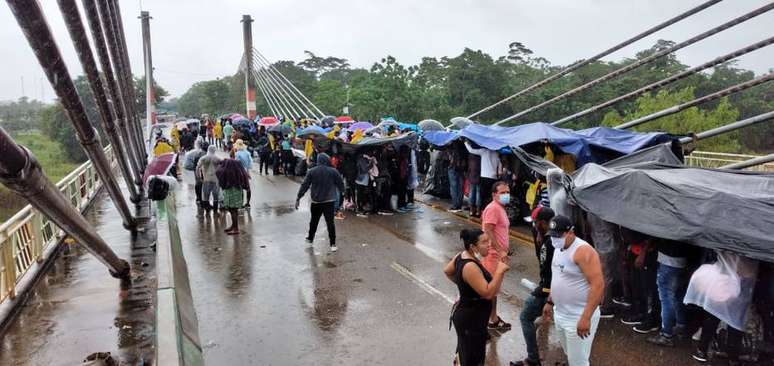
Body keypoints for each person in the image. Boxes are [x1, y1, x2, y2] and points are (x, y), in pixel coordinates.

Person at [543, 215, 604, 366]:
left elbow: (598, 285)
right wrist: (550, 302)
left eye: (558, 235)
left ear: (571, 232)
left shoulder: (583, 251)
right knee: (570, 356)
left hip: (578, 315)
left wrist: (586, 318)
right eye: (552, 236)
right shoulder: (558, 248)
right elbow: (557, 277)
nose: (554, 239)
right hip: (560, 314)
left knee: (578, 362)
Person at [444, 229, 510, 366]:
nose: (489, 244)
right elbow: (488, 293)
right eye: (484, 242)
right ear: (473, 247)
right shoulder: (469, 266)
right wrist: (499, 271)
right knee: (471, 358)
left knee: (466, 353)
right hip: (470, 320)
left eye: (488, 240)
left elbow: (448, 271)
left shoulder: (461, 256)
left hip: (472, 317)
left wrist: (466, 286)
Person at [511, 207, 556, 366]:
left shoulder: (551, 243)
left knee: (525, 317)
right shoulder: (549, 236)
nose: (534, 226)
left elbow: (553, 272)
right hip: (549, 287)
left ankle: (533, 359)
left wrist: (548, 295)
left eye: (536, 223)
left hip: (549, 288)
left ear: (543, 223)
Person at [295, 153, 345, 253]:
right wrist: (342, 195)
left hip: (316, 201)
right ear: (327, 160)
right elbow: (341, 184)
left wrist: (298, 197)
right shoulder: (333, 171)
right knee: (330, 223)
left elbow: (304, 185)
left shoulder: (312, 171)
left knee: (314, 221)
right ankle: (333, 244)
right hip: (329, 201)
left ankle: (310, 238)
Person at [481, 181, 512, 332]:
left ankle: (492, 318)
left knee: (494, 290)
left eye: (507, 192)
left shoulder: (500, 208)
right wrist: (500, 251)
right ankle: (487, 319)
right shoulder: (493, 208)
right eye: (502, 193)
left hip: (498, 255)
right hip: (493, 255)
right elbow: (488, 230)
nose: (506, 195)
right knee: (490, 290)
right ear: (494, 195)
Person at [216, 158, 249, 235]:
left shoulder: (228, 172)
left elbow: (217, 171)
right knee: (232, 210)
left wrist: (221, 164)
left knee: (233, 209)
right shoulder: (239, 172)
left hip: (232, 192)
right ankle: (233, 226)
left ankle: (236, 228)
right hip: (236, 191)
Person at [465, 140, 500, 208]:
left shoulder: (484, 151)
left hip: (485, 177)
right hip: (494, 177)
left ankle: (484, 211)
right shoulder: (497, 153)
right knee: (491, 196)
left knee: (483, 196)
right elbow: (499, 165)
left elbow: (471, 150)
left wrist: (466, 142)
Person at [196, 145, 222, 215]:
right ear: (214, 150)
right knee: (216, 196)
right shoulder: (218, 159)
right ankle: (215, 211)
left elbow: (197, 168)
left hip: (206, 179)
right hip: (215, 180)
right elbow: (223, 168)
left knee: (206, 196)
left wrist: (198, 177)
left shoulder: (204, 158)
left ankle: (207, 212)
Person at [184, 140, 208, 207]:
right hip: (199, 170)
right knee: (202, 186)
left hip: (196, 169)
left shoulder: (199, 153)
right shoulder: (203, 154)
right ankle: (203, 202)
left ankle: (198, 199)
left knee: (198, 184)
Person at [447, 142, 467, 212]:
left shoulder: (451, 146)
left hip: (453, 168)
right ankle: (459, 204)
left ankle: (455, 205)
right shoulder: (464, 147)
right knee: (460, 187)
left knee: (454, 187)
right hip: (462, 169)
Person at [234, 139, 252, 208]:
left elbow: (236, 163)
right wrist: (248, 171)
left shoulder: (237, 153)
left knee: (240, 188)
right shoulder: (247, 152)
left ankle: (241, 204)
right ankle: (247, 203)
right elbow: (250, 163)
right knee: (247, 187)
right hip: (246, 171)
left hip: (239, 171)